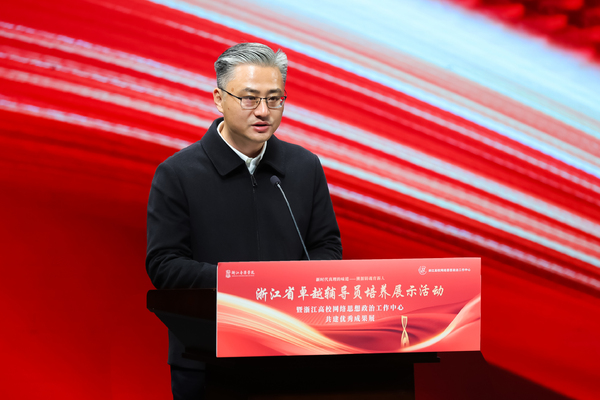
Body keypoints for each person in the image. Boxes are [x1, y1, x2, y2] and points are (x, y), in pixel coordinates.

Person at [146, 43, 343, 399]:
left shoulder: (304, 167)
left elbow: (327, 247)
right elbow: (165, 264)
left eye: (275, 99)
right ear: (219, 99)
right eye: (250, 98)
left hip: (292, 351)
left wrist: (287, 288)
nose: (264, 111)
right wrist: (246, 285)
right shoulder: (177, 173)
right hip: (208, 357)